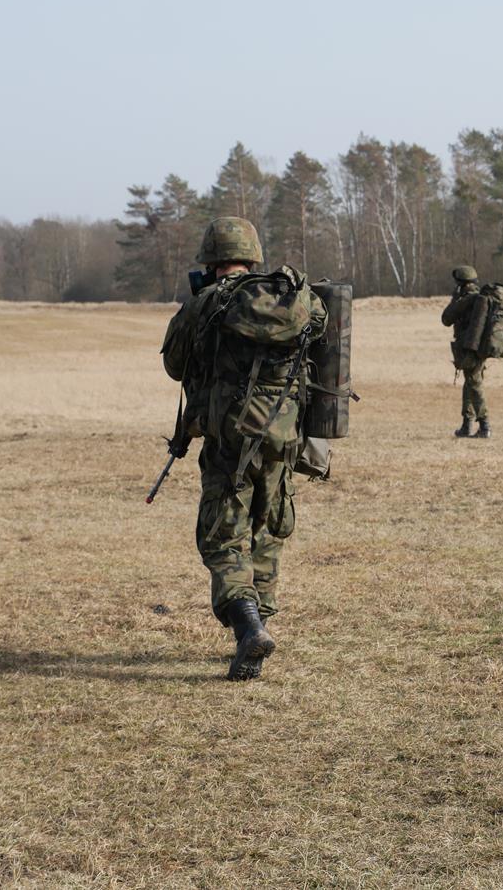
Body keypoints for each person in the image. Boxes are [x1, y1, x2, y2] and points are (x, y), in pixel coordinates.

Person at [161, 216, 327, 681]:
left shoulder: (208, 302)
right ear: (253, 255)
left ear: (210, 260)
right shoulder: (292, 297)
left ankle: (249, 627)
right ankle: (259, 626)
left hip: (229, 442)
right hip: (283, 437)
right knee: (268, 530)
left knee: (223, 539)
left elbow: (175, 367)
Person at [441, 264, 491, 439]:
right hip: (479, 348)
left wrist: (454, 299)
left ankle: (484, 426)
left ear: (461, 282)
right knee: (470, 383)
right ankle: (466, 425)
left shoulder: (467, 299)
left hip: (469, 348)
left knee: (474, 384)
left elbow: (446, 318)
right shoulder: (480, 297)